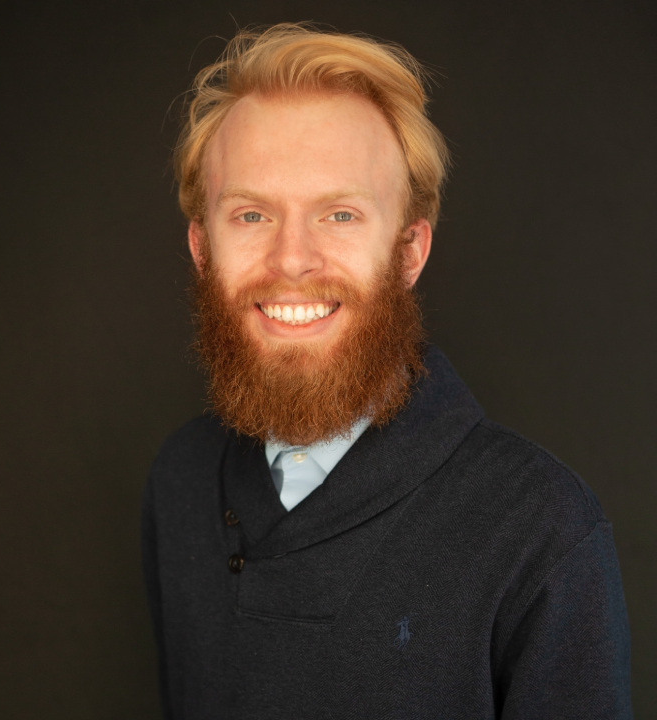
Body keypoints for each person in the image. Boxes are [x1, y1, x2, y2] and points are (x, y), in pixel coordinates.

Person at [142, 23, 632, 719]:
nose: (292, 260)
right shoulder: (181, 482)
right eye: (251, 214)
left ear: (408, 252)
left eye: (339, 214)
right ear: (201, 247)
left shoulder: (541, 533)